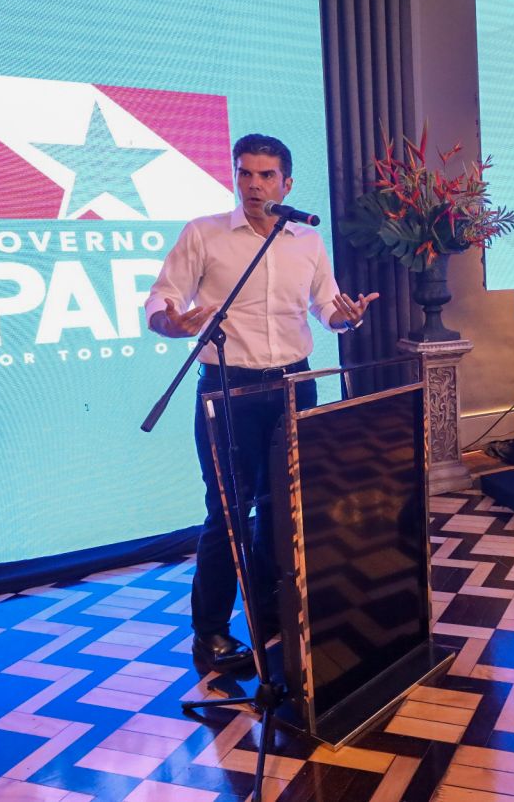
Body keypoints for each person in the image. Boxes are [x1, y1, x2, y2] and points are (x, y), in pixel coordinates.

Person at [146, 134, 378, 674]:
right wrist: (169, 323)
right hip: (228, 388)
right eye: (245, 174)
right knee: (228, 511)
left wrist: (347, 317)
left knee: (283, 508)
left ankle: (274, 613)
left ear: (286, 184)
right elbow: (163, 297)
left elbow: (326, 306)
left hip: (294, 385)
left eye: (266, 175)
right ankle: (210, 632)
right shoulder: (204, 233)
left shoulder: (306, 241)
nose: (254, 185)